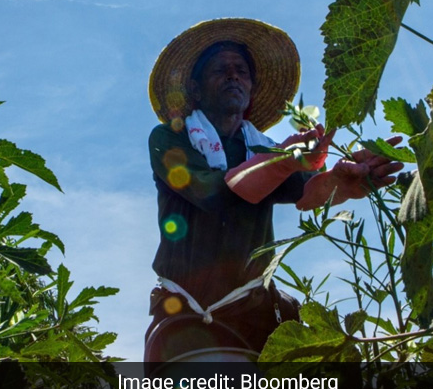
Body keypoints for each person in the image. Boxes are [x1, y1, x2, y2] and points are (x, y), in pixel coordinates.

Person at [144, 18, 403, 361]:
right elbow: (213, 195)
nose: (233, 75)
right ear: (195, 88)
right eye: (221, 69)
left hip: (253, 313)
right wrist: (283, 162)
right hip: (186, 315)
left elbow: (308, 194)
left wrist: (344, 181)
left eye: (241, 71)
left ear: (251, 87)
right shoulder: (171, 139)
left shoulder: (260, 148)